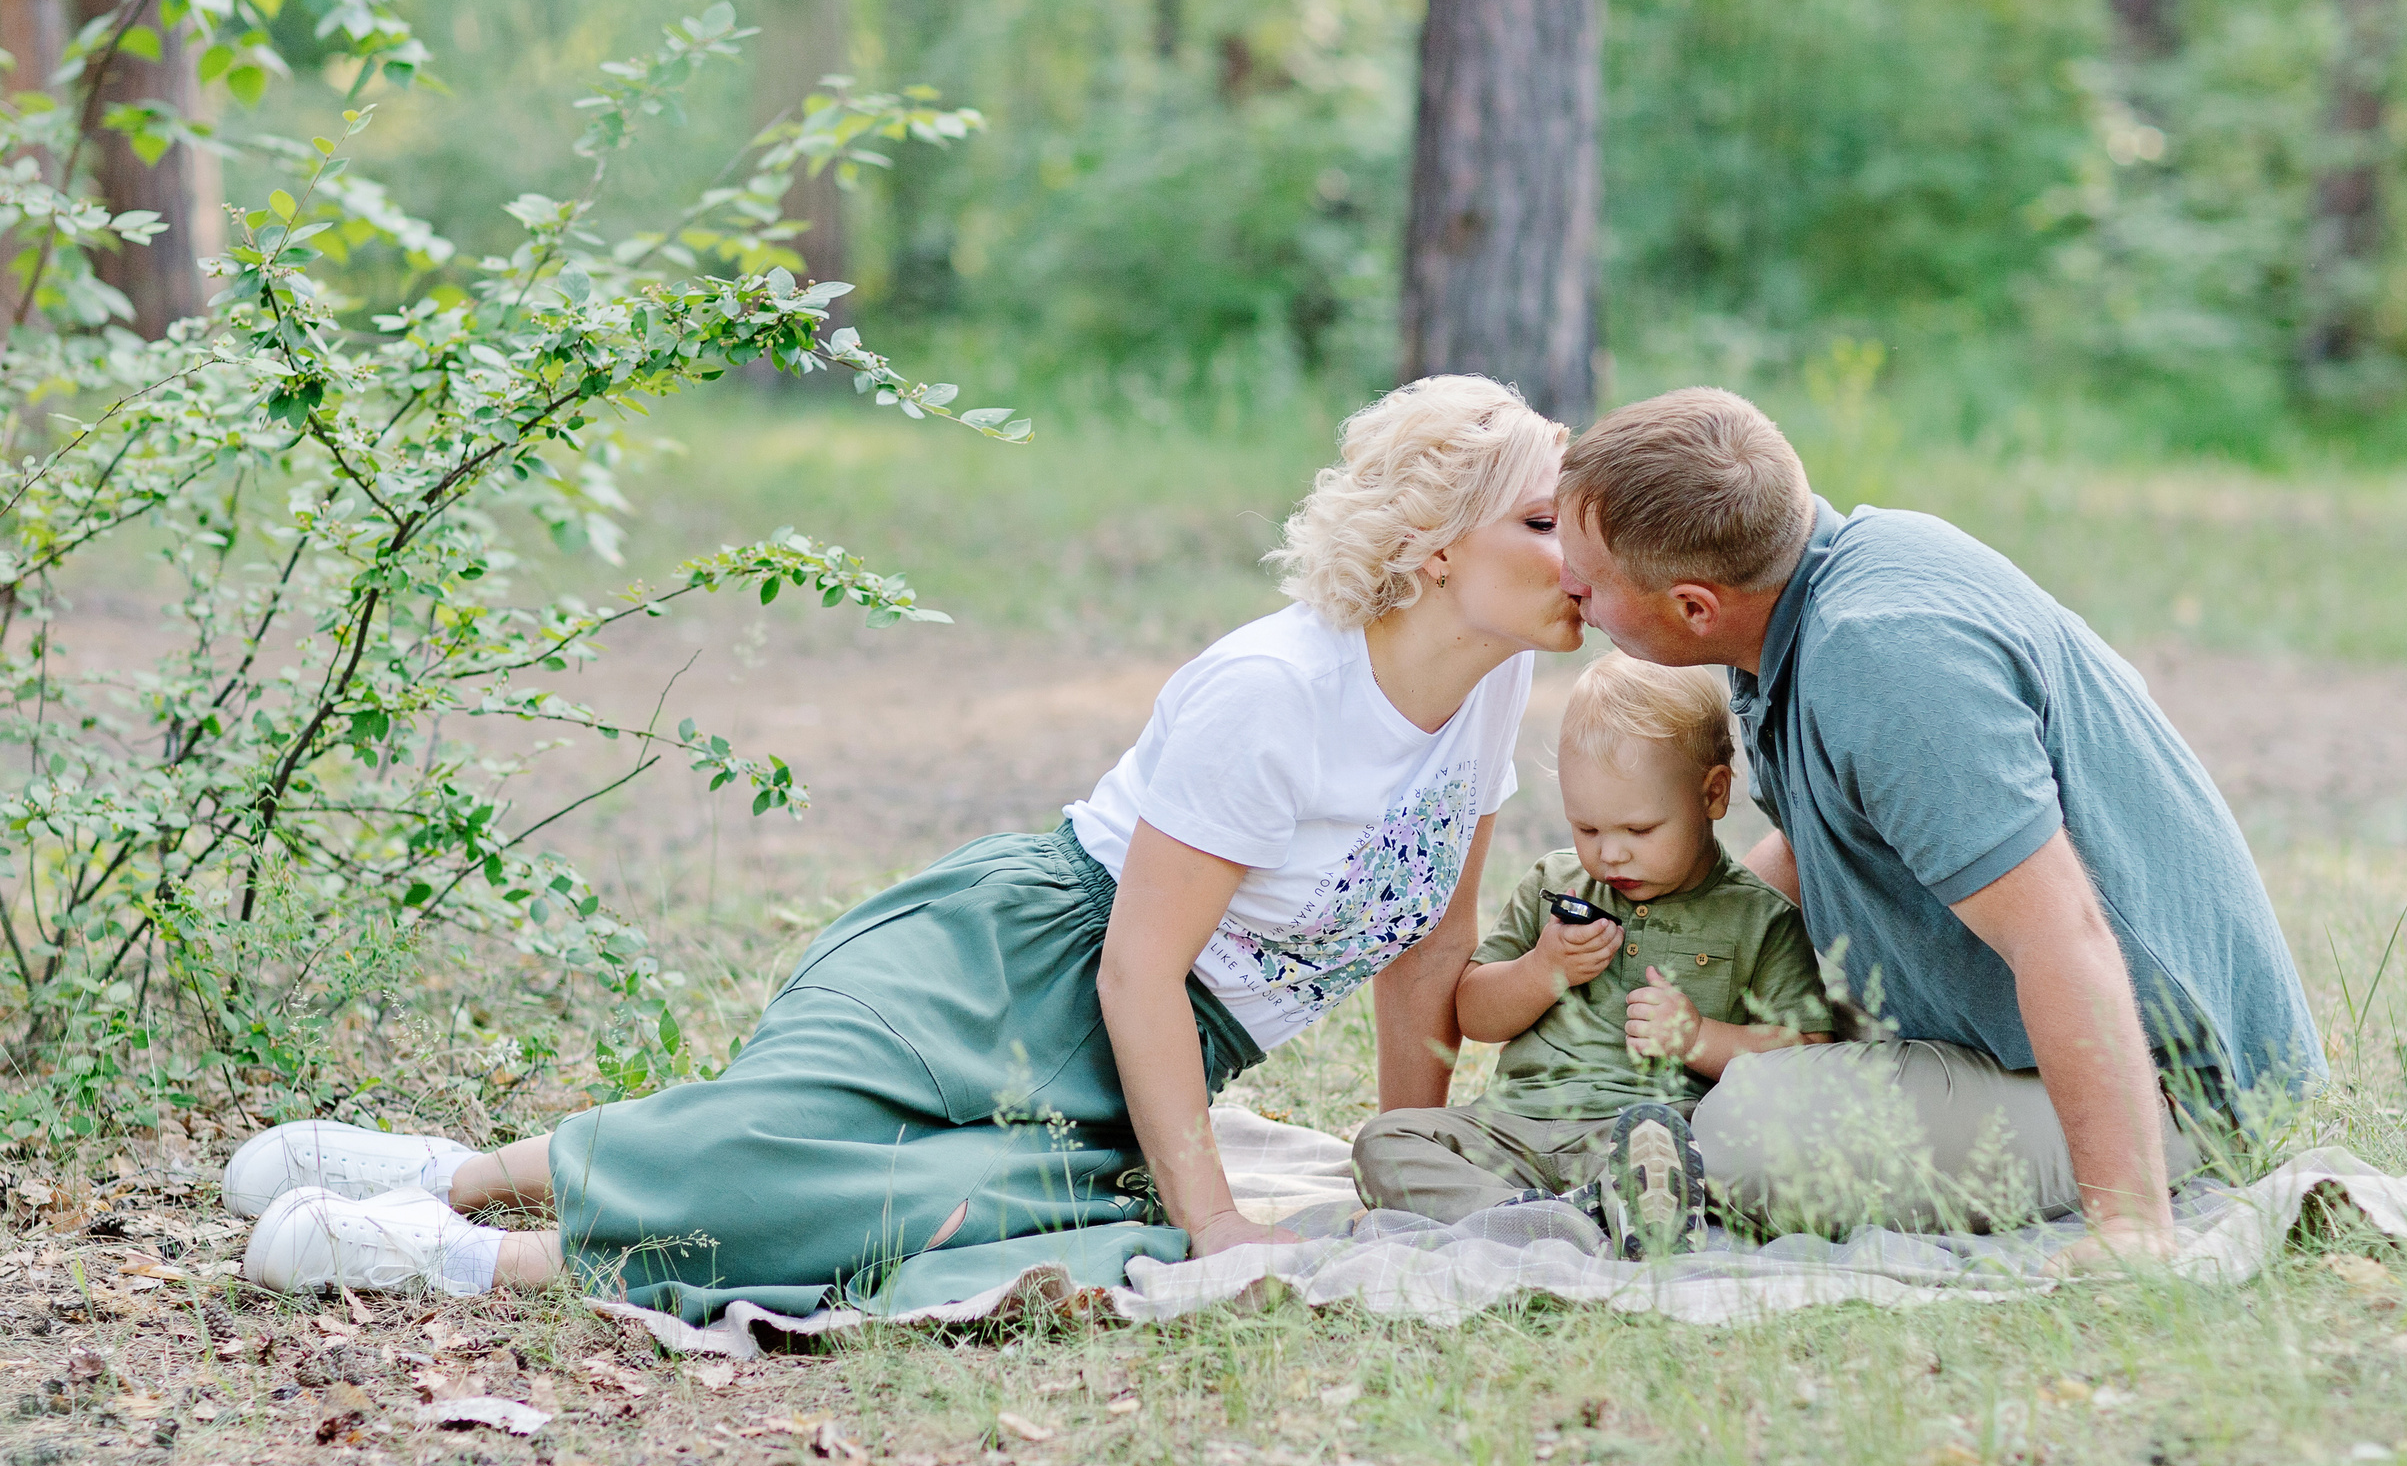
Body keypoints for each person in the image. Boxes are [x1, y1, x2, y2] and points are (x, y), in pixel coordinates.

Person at [223, 374, 1586, 1318]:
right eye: (1543, 519)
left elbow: (1435, 950)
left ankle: (479, 1239)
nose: (1580, 552)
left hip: (1155, 1053)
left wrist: (1409, 1154)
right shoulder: (1275, 692)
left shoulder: (1491, 687)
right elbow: (1135, 971)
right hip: (1018, 966)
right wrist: (1218, 1217)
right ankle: (446, 1203)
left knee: (943, 1215)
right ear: (1429, 548)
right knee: (786, 1155)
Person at [1554, 387, 2324, 1271]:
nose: (1566, 588)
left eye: (1587, 581)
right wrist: (1671, 937)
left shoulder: (1886, 662)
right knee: (1674, 1066)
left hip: (2177, 1085)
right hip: (2013, 1031)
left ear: (1695, 605)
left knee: (1749, 1133)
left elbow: (2058, 928)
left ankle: (2134, 1191)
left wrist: (2130, 1229)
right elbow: (1827, 840)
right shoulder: (1798, 600)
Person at [1351, 653, 1834, 1255]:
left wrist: (1698, 1038)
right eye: (1587, 828)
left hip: (1650, 1134)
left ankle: (1591, 1208)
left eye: (1638, 831)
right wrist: (1542, 970)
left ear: (1713, 794)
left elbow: (1809, 1056)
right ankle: (1553, 1220)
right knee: (1385, 1142)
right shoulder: (1554, 884)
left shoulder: (1759, 918)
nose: (1610, 854)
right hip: (1516, 1128)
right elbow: (1474, 1016)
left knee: (1728, 1158)